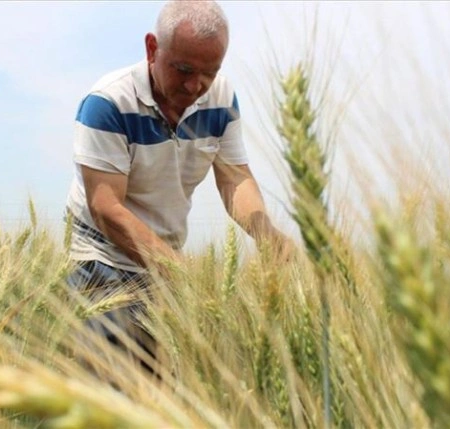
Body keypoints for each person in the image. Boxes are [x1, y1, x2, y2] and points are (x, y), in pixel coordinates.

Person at [65, 0, 292, 379]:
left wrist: (266, 233)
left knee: (165, 389)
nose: (195, 85)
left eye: (210, 72)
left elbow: (235, 177)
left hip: (166, 260)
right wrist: (180, 272)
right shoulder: (107, 104)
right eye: (183, 69)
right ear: (152, 48)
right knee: (111, 389)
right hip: (104, 259)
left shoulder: (221, 100)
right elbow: (106, 209)